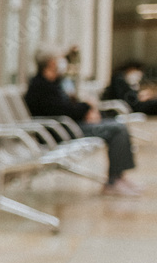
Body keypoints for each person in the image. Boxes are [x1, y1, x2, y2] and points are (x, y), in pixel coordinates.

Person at [25, 49, 141, 197]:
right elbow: (63, 110)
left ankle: (118, 177)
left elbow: (67, 108)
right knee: (117, 129)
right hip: (59, 131)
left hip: (68, 126)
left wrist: (85, 108)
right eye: (60, 59)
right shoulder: (40, 86)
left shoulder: (53, 83)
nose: (63, 62)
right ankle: (113, 181)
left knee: (116, 125)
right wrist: (87, 106)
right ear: (51, 63)